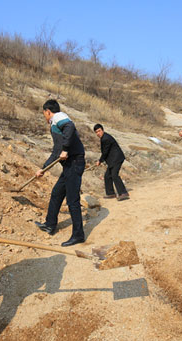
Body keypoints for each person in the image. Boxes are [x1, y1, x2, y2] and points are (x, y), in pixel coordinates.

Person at [34, 99, 86, 247]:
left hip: (75, 163)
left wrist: (66, 149)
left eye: (44, 113)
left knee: (72, 201)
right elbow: (56, 152)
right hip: (69, 165)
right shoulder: (55, 125)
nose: (44, 116)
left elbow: (70, 126)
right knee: (57, 193)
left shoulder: (58, 117)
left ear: (47, 111)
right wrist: (43, 169)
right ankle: (50, 224)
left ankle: (78, 235)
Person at [94, 124, 129, 201]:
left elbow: (105, 152)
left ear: (102, 130)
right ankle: (111, 193)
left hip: (117, 158)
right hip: (112, 160)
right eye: (96, 132)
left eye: (99, 131)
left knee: (114, 175)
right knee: (107, 176)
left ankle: (123, 193)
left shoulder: (105, 138)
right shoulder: (103, 138)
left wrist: (100, 161)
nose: (98, 133)